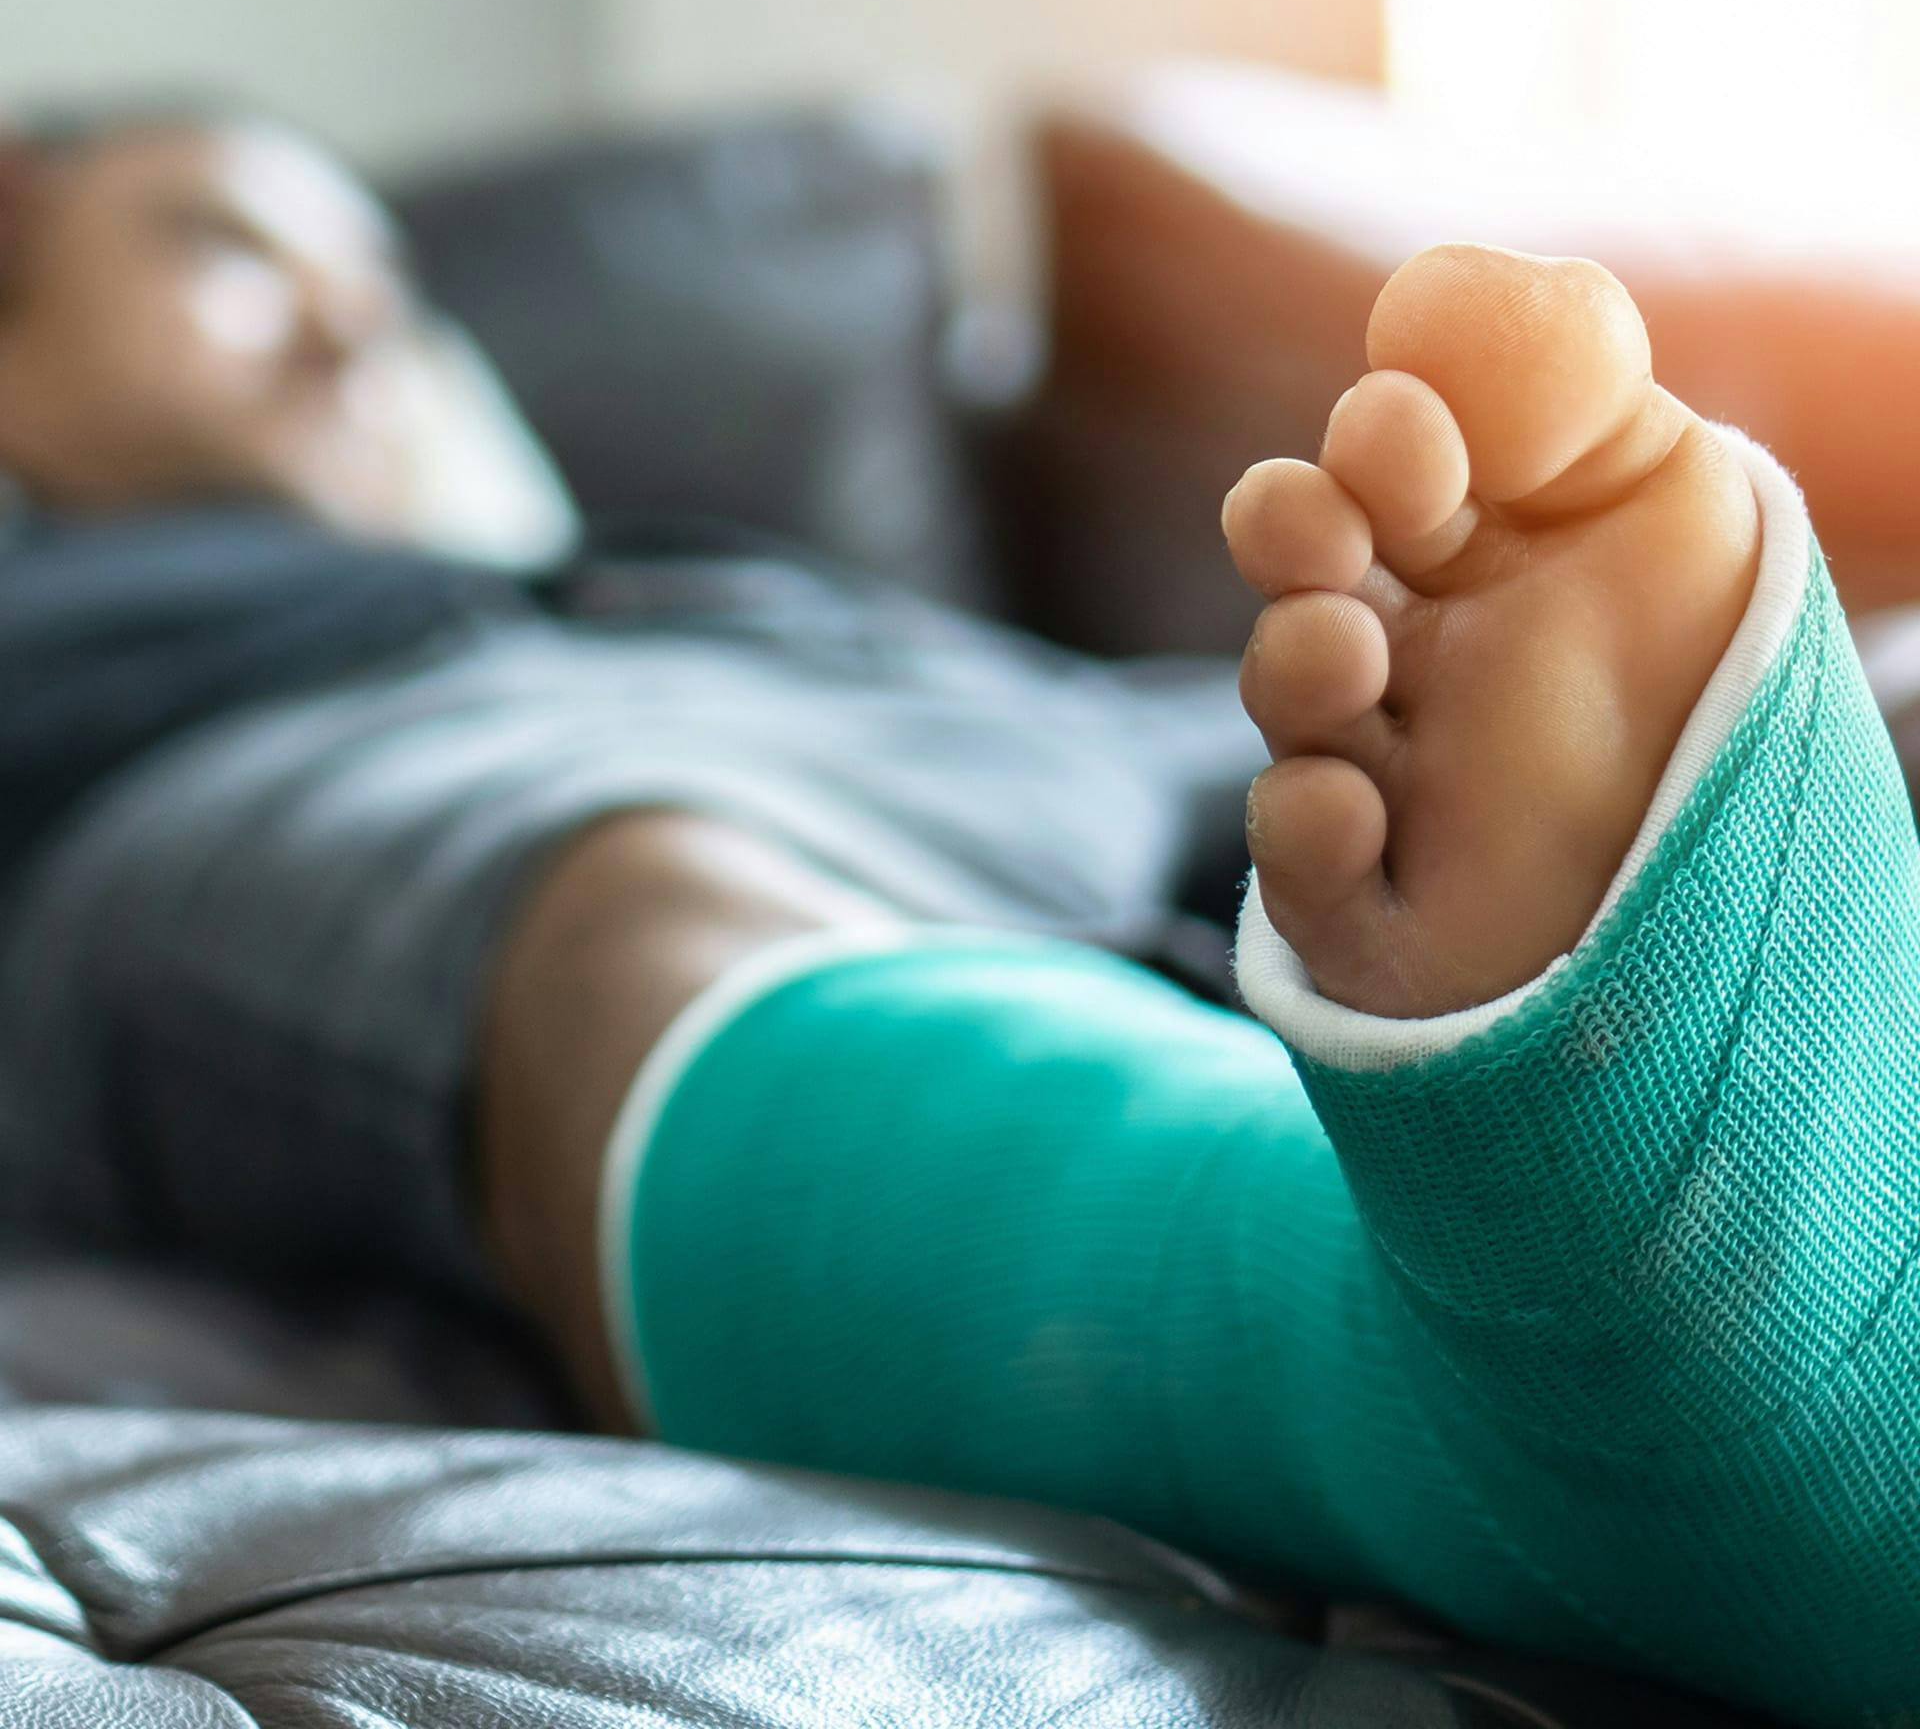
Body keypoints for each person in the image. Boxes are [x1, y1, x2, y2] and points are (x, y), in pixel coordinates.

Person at [0, 106, 1914, 1727]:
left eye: (385, 286)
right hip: (319, 770)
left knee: (1485, 774)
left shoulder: (701, 574)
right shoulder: (102, 628)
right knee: (622, 883)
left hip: (988, 747)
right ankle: (1623, 1367)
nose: (353, 317)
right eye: (227, 254)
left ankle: (1625, 1069)